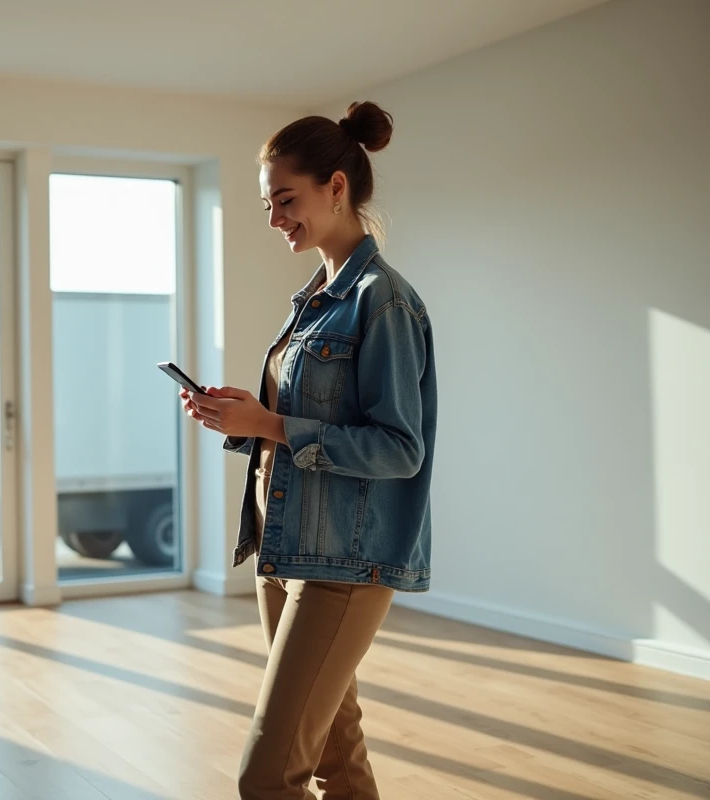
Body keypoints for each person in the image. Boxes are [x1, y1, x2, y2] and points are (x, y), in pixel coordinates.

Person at [181, 101, 436, 800]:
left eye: (285, 200)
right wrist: (242, 417)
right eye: (268, 204)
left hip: (343, 567)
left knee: (268, 776)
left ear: (336, 186)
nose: (274, 220)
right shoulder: (315, 300)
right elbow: (295, 423)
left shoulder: (382, 303)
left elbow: (398, 449)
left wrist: (270, 425)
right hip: (286, 549)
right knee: (336, 758)